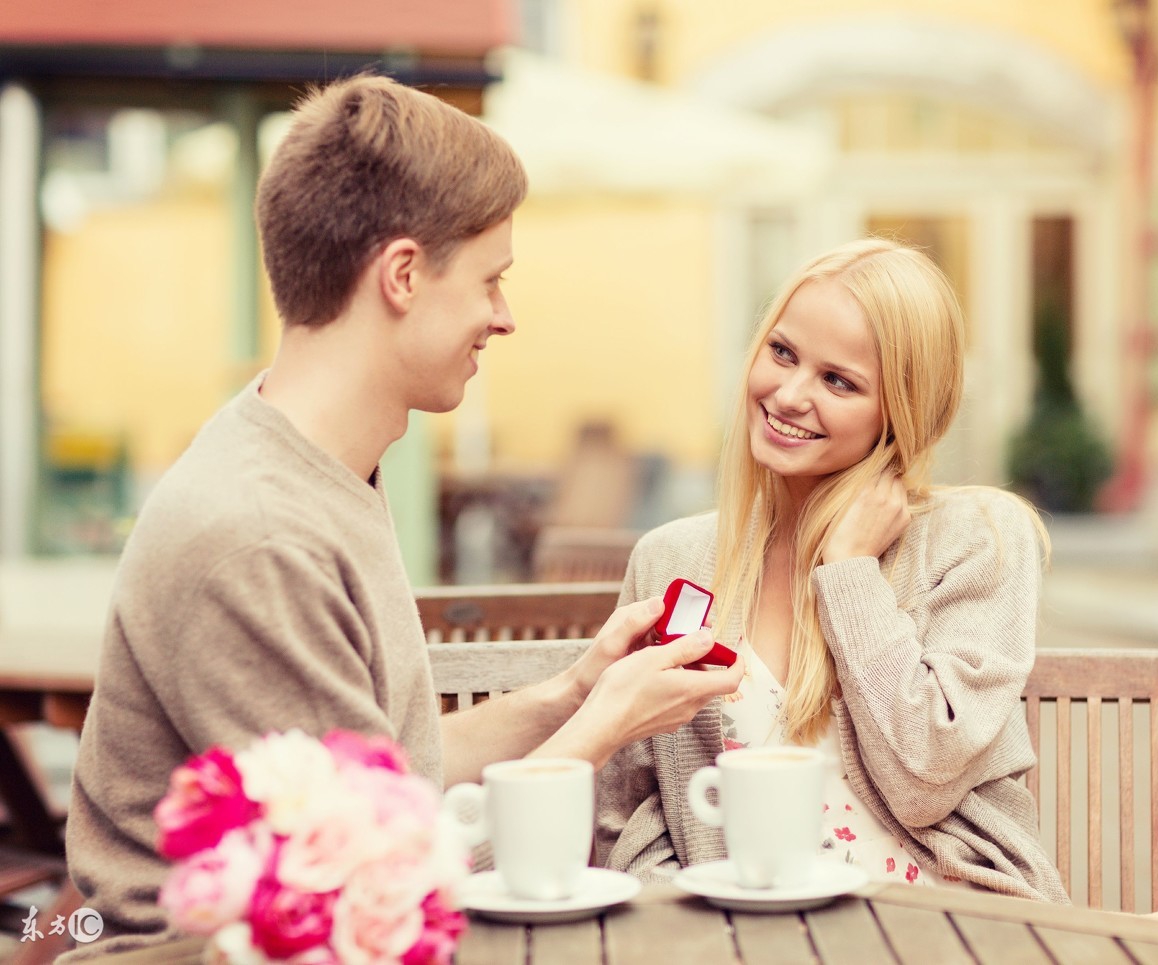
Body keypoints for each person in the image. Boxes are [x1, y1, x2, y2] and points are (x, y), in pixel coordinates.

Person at [65, 73, 743, 955]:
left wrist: (575, 691)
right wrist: (608, 725)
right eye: (492, 280)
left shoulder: (320, 467)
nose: (504, 318)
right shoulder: (260, 533)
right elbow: (384, 880)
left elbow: (394, 777)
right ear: (403, 275)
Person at [596, 238, 1069, 902]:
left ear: (898, 413)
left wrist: (851, 573)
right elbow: (630, 810)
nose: (788, 394)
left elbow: (924, 774)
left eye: (838, 381)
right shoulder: (674, 560)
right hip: (747, 929)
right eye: (782, 352)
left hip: (941, 921)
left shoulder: (979, 537)